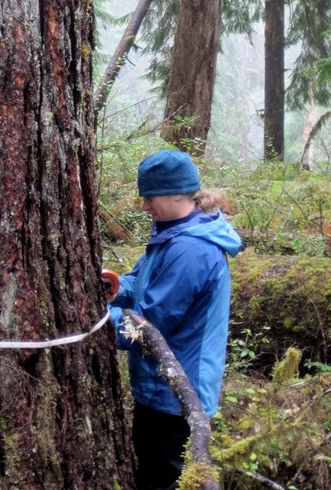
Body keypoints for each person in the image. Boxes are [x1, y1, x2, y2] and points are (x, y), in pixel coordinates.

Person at [106, 149, 242, 490]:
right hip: (157, 388)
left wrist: (94, 320)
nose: (145, 206)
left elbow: (148, 325)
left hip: (177, 396)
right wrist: (114, 287)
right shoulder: (172, 233)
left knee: (164, 480)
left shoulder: (192, 251)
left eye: (150, 198)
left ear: (178, 193)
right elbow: (143, 283)